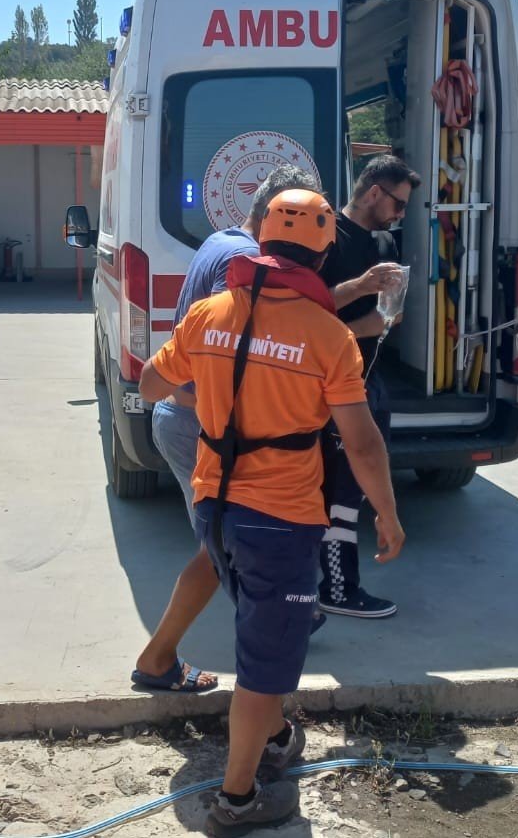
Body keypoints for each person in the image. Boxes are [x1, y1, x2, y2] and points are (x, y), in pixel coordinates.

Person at [139, 189, 405, 833]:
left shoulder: (210, 313)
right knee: (264, 666)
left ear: (262, 240)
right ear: (322, 249)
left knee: (260, 629)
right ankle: (238, 799)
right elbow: (364, 443)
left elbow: (149, 382)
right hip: (282, 518)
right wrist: (388, 517)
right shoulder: (328, 335)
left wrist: (216, 402)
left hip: (214, 506)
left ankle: (276, 734)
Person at [131, 164, 319, 695]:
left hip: (186, 417)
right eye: (293, 225)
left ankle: (167, 659)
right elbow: (231, 350)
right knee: (230, 550)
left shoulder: (222, 238)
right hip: (202, 426)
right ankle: (243, 681)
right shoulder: (242, 261)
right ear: (268, 219)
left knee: (220, 549)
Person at [318, 154, 421, 618]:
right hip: (338, 386)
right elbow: (318, 321)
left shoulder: (373, 243)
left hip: (367, 379)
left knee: (354, 489)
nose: (401, 215)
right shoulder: (329, 240)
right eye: (398, 204)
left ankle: (337, 586)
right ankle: (338, 590)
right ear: (375, 192)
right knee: (341, 492)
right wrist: (378, 322)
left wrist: (385, 314)